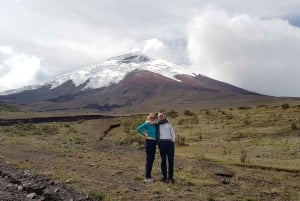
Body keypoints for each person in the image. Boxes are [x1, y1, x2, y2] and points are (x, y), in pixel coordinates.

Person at [136, 113, 157, 182]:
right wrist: (144, 134)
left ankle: (149, 176)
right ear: (148, 118)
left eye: (153, 117)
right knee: (149, 159)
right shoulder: (147, 123)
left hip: (154, 142)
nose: (152, 119)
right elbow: (138, 129)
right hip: (149, 142)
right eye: (151, 117)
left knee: (152, 159)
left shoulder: (154, 124)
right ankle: (147, 177)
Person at [156, 112, 176, 183]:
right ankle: (164, 176)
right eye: (159, 116)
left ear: (163, 116)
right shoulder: (156, 124)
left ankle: (170, 177)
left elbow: (172, 132)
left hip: (169, 143)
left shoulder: (168, 123)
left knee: (171, 160)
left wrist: (172, 142)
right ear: (158, 117)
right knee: (163, 160)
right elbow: (148, 122)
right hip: (161, 143)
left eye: (162, 116)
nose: (161, 117)